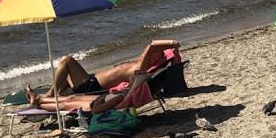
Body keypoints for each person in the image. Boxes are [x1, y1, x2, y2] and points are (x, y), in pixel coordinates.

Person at [44, 40, 179, 97]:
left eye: (147, 53)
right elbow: (152, 48)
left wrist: (172, 43)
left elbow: (152, 45)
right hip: (90, 81)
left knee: (67, 61)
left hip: (92, 87)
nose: (144, 51)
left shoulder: (139, 68)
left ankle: (50, 94)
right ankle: (59, 94)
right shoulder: (136, 64)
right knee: (64, 65)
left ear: (151, 58)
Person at [26, 71, 153, 115]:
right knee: (72, 97)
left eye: (132, 78)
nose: (129, 78)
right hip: (103, 98)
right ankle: (38, 99)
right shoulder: (127, 90)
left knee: (65, 104)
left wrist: (96, 105)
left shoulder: (122, 96)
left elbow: (98, 111)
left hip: (97, 105)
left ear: (135, 83)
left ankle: (38, 102)